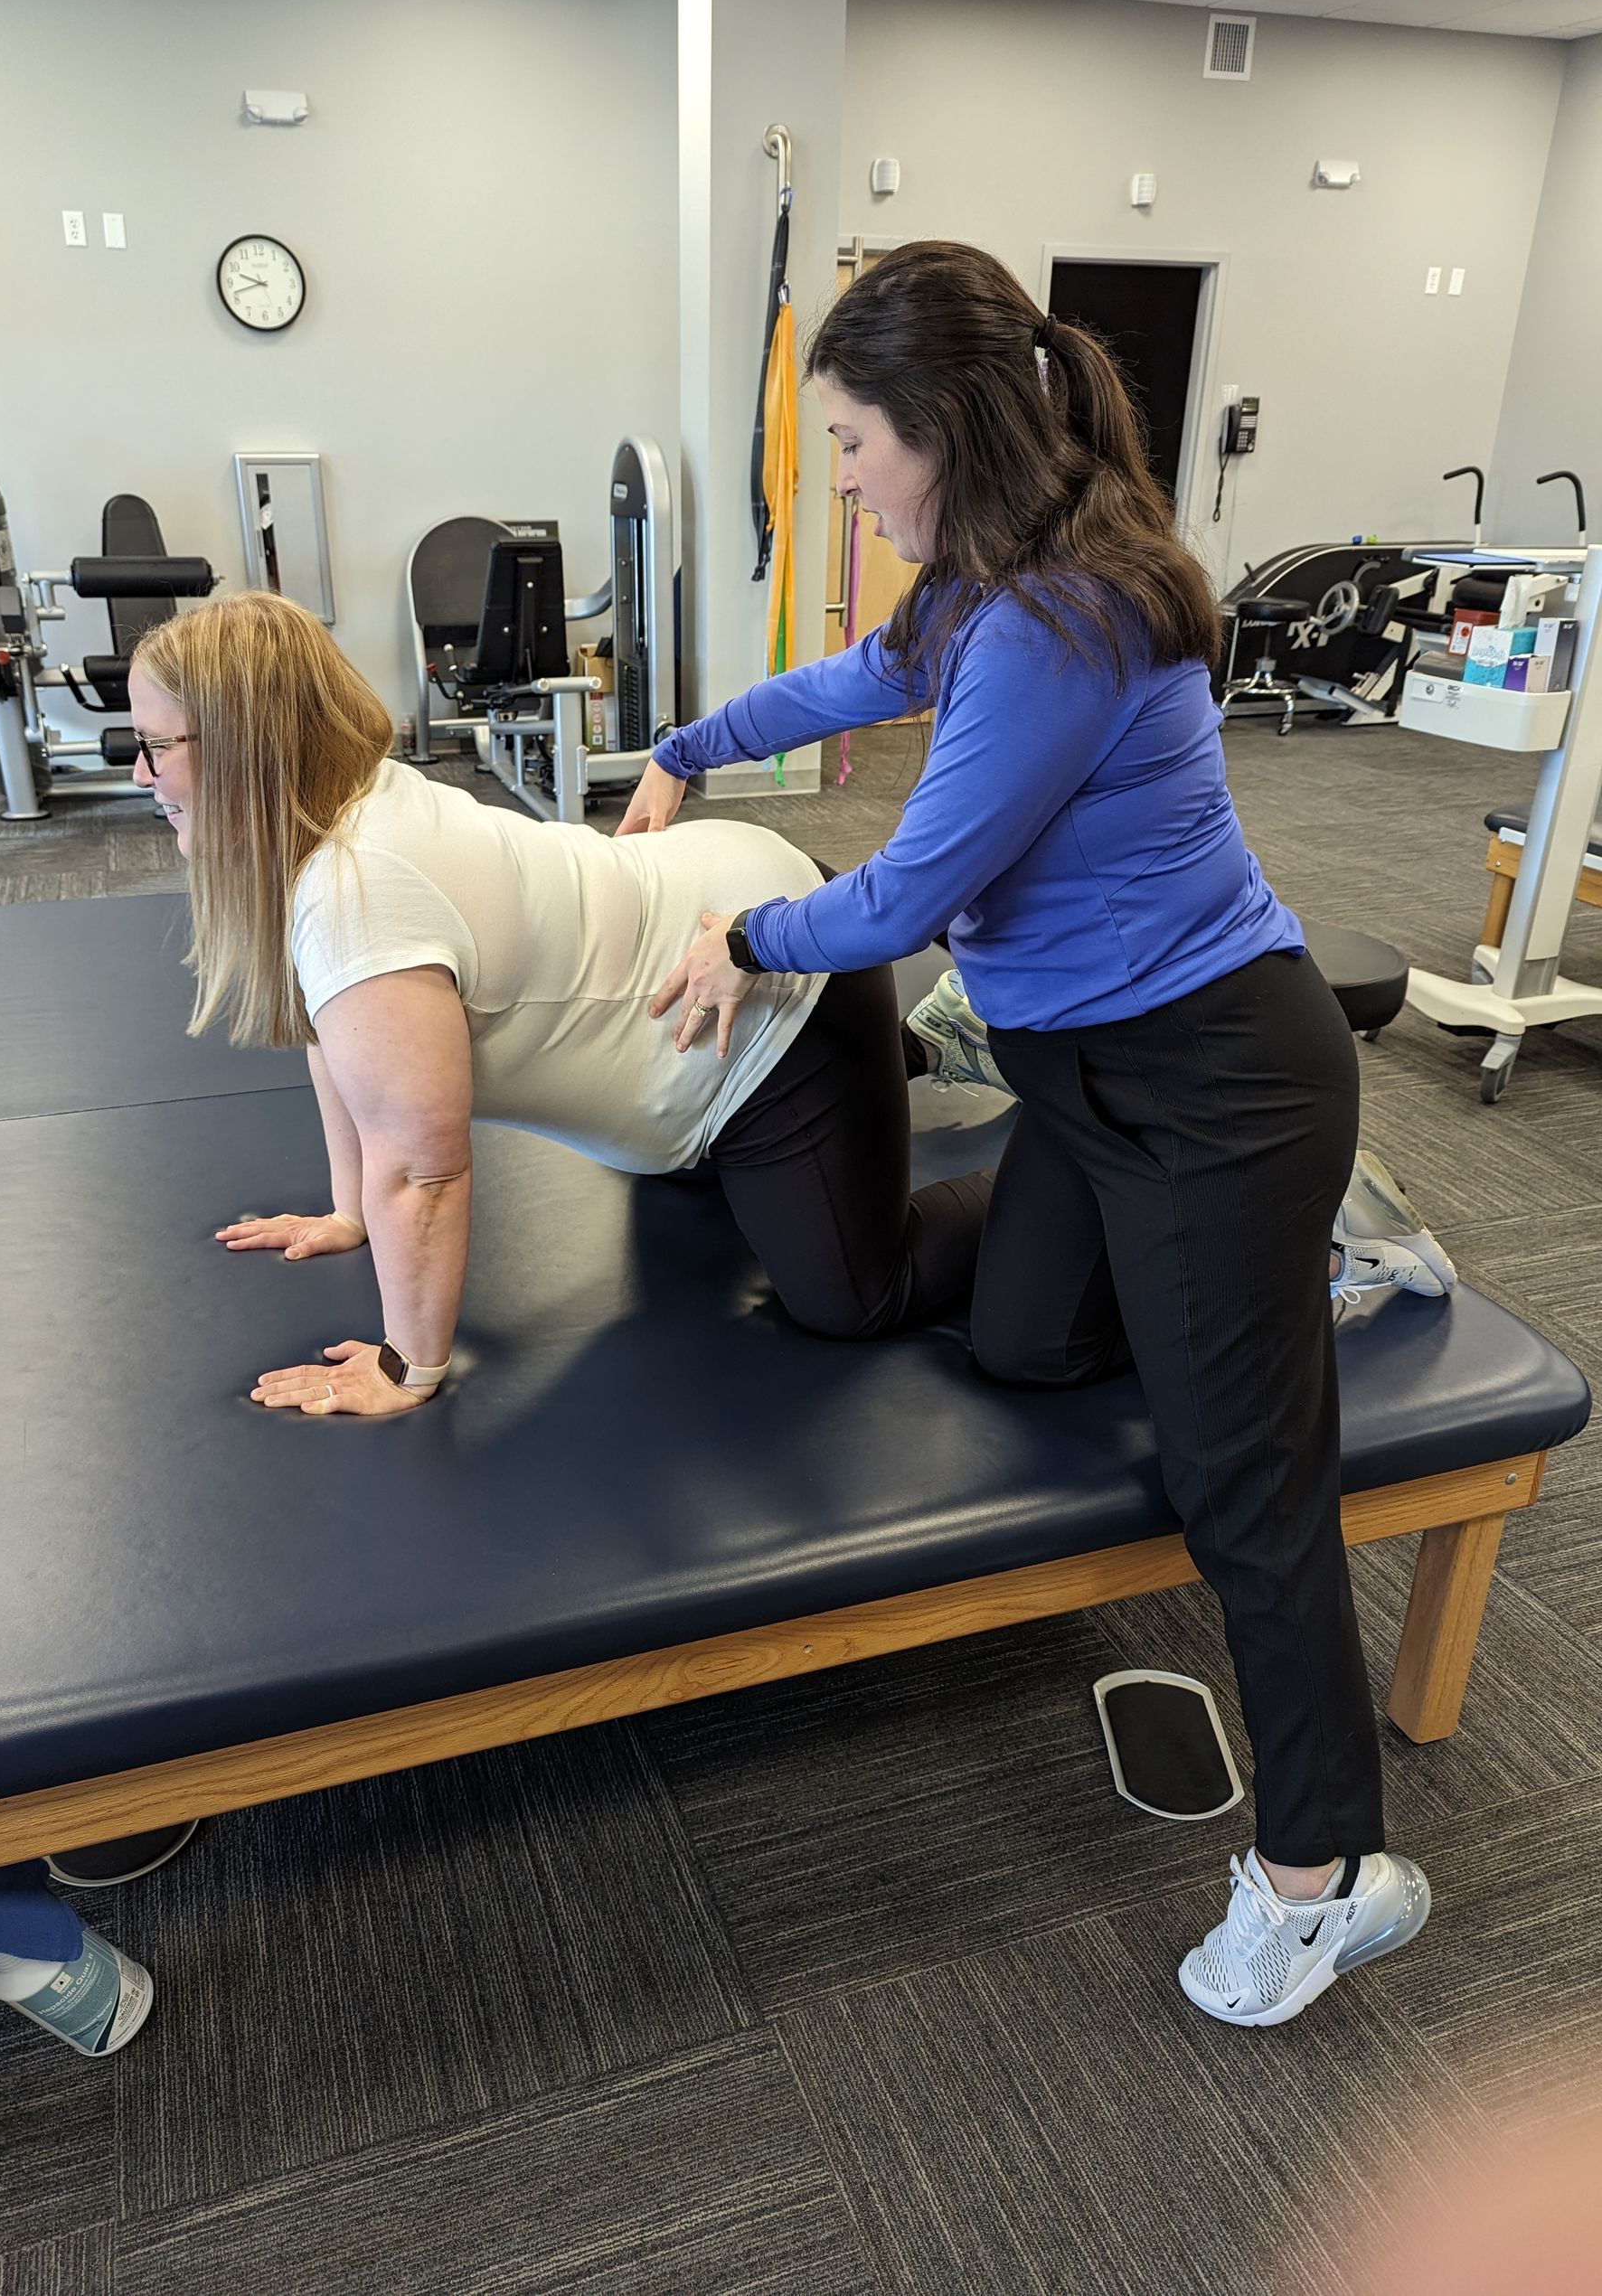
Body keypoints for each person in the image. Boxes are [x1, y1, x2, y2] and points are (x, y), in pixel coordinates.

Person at [619, 238, 1429, 2028]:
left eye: (852, 444)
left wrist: (740, 938)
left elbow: (909, 893)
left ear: (942, 425)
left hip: (1219, 1090)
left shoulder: (1066, 620)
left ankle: (1323, 1881)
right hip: (1085, 1085)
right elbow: (849, 682)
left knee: (1244, 1488)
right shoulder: (983, 582)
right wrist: (684, 742)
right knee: (1022, 1344)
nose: (843, 480)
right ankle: (1257, 1279)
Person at [127, 589, 991, 1420]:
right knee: (692, 1187)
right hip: (696, 950)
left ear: (247, 745)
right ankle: (918, 1049)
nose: (139, 773)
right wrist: (349, 1211)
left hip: (770, 992)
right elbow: (338, 1045)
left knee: (854, 1298)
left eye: (154, 746)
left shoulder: (359, 892)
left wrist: (405, 1366)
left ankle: (1052, 1176)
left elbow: (423, 1168)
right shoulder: (334, 818)